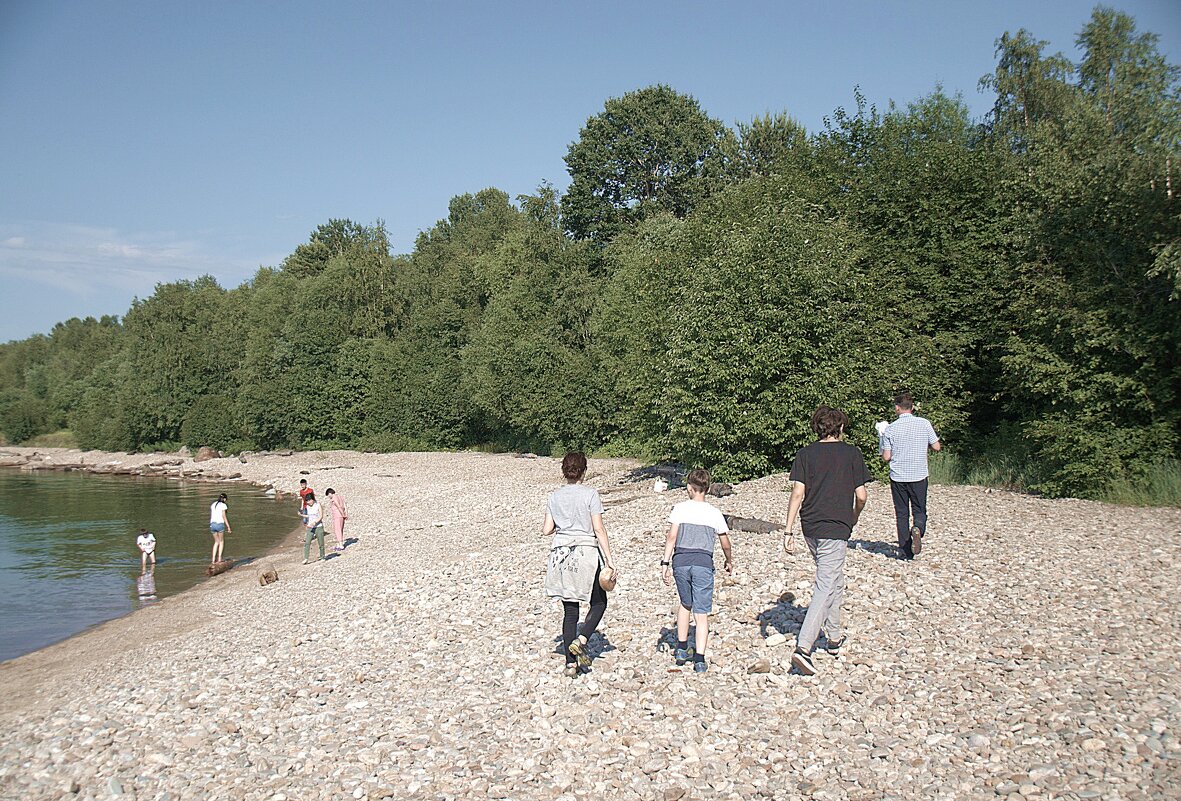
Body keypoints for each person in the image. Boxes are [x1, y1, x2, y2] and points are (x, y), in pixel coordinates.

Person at [784, 406, 871, 676]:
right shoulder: (852, 454)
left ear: (817, 428)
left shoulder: (805, 454)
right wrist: (853, 517)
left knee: (834, 579)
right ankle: (804, 648)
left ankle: (833, 637)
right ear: (841, 428)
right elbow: (862, 496)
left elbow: (798, 493)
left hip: (810, 526)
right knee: (825, 584)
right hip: (836, 526)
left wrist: (788, 530)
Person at [542, 451, 618, 678]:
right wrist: (610, 560)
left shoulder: (554, 496)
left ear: (564, 472)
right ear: (584, 471)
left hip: (561, 555)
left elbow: (546, 529)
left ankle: (570, 663)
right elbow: (599, 529)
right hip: (585, 552)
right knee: (598, 602)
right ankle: (583, 638)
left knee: (570, 610)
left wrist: (563, 523)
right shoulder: (590, 494)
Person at [660, 468, 733, 673]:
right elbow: (725, 542)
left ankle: (682, 649)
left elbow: (671, 537)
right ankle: (700, 659)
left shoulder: (680, 509)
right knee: (701, 613)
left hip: (681, 561)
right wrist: (729, 561)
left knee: (685, 604)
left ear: (690, 488)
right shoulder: (714, 512)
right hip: (703, 562)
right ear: (707, 489)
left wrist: (665, 563)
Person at [879, 392, 941, 560]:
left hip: (898, 475)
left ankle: (906, 551)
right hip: (919, 474)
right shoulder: (924, 424)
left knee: (901, 513)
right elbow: (936, 447)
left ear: (897, 408)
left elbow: (886, 457)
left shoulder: (890, 429)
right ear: (912, 407)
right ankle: (918, 529)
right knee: (919, 509)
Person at [302, 491, 326, 565]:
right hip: (310, 527)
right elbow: (309, 516)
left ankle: (322, 557)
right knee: (307, 542)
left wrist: (315, 522)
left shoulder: (318, 505)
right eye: (307, 501)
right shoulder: (308, 507)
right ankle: (306, 558)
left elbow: (321, 516)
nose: (309, 502)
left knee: (321, 543)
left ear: (313, 499)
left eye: (309, 500)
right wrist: (302, 515)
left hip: (318, 526)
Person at [209, 493, 231, 564]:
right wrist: (228, 526)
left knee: (216, 542)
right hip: (219, 524)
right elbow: (224, 516)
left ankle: (213, 560)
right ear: (224, 499)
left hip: (212, 524)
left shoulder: (213, 504)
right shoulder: (223, 505)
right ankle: (219, 559)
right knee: (221, 542)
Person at [325, 488, 348, 552]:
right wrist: (346, 514)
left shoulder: (334, 498)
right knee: (340, 529)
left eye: (328, 495)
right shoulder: (340, 496)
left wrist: (343, 514)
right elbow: (345, 505)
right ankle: (338, 543)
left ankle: (341, 545)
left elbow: (338, 506)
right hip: (341, 515)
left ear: (330, 493)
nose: (328, 497)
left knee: (337, 530)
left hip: (337, 515)